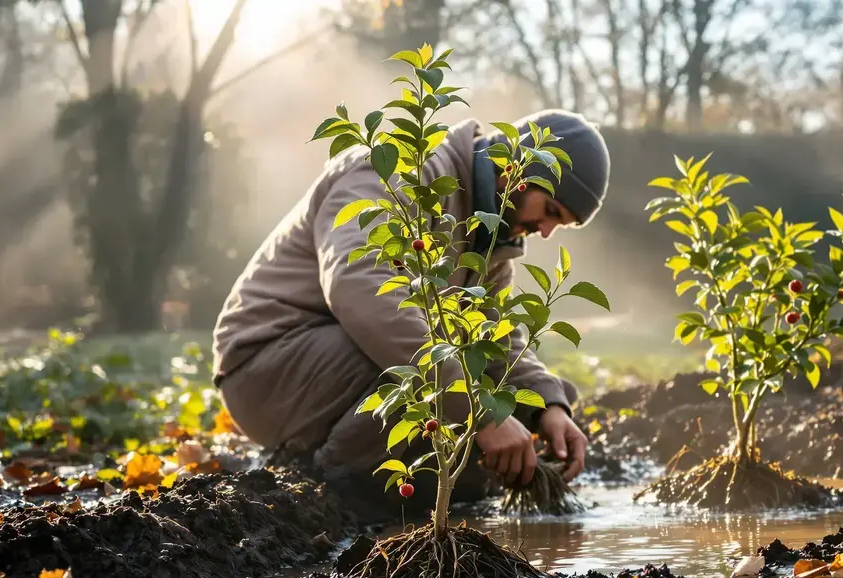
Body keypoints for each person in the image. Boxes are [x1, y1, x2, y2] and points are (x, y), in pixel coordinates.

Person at [211, 109, 610, 521]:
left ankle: (369, 487)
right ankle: (329, 487)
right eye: (550, 211)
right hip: (266, 365)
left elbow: (493, 342)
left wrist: (547, 407)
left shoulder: (490, 240)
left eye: (560, 225)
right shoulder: (397, 169)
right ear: (518, 170)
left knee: (486, 440)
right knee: (422, 364)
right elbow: (360, 290)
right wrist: (481, 412)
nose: (545, 231)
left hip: (329, 366)